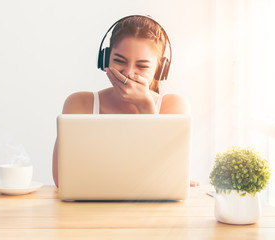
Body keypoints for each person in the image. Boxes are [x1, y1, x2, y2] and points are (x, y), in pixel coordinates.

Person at [52, 15, 199, 188]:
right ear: (105, 59)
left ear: (159, 70)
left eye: (142, 66)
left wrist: (146, 107)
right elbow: (62, 180)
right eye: (119, 61)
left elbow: (170, 179)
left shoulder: (174, 105)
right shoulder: (79, 103)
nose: (128, 73)